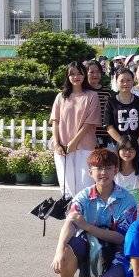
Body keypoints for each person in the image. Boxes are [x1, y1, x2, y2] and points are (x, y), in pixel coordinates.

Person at [49, 148, 137, 277]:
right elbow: (70, 222)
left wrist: (87, 226)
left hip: (116, 249)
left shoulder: (127, 200)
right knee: (67, 249)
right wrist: (59, 250)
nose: (104, 172)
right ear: (90, 172)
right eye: (99, 168)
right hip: (90, 245)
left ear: (115, 170)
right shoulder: (83, 196)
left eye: (108, 168)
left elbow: (120, 238)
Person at [50, 61, 100, 197]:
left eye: (79, 73)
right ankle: (70, 210)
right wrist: (57, 144)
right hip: (63, 147)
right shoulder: (61, 97)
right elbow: (55, 121)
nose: (76, 77)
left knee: (85, 184)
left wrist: (74, 142)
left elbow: (89, 123)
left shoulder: (92, 96)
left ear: (84, 75)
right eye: (72, 74)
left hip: (85, 146)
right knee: (67, 186)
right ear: (67, 76)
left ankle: (84, 210)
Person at [105, 68, 139, 157]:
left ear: (133, 81)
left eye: (128, 80)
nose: (125, 83)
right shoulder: (111, 102)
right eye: (122, 81)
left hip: (137, 145)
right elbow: (109, 126)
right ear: (116, 82)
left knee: (138, 165)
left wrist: (136, 144)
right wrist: (123, 143)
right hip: (116, 145)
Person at [114, 135, 139, 203]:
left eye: (131, 149)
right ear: (118, 150)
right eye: (124, 149)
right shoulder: (112, 170)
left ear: (136, 151)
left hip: (138, 208)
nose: (127, 152)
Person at [85, 60, 112, 148]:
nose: (95, 75)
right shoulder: (83, 92)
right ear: (85, 73)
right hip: (87, 135)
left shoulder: (107, 92)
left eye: (98, 72)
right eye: (91, 72)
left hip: (106, 135)